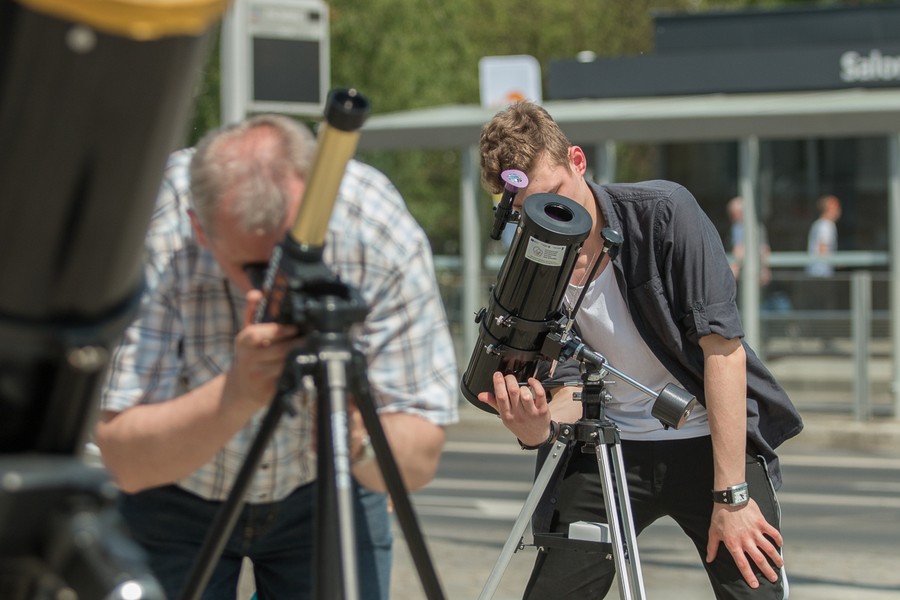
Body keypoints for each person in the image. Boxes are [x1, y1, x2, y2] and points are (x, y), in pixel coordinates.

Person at [95, 114, 459, 600]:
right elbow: (125, 460)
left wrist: (355, 439)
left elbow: (418, 461)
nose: (278, 284)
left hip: (330, 490)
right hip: (173, 498)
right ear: (200, 231)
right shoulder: (151, 229)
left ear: (320, 208)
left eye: (295, 253)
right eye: (256, 267)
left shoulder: (377, 232)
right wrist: (236, 395)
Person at [476, 101, 802, 599]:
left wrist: (733, 497)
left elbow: (723, 352)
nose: (550, 222)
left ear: (578, 162)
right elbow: (566, 387)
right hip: (606, 445)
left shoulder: (664, 214)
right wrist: (536, 427)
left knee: (752, 586)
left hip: (707, 440)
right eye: (528, 213)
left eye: (556, 198)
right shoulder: (532, 261)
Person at [727, 196, 771, 287]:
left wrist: (733, 268)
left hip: (746, 274)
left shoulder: (739, 227)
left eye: (736, 213)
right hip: (752, 273)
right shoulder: (757, 227)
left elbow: (739, 249)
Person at [806, 194, 841, 279]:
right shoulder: (825, 225)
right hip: (820, 273)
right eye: (836, 208)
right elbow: (823, 249)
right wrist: (838, 262)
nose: (839, 211)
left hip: (818, 273)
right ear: (829, 209)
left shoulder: (820, 224)